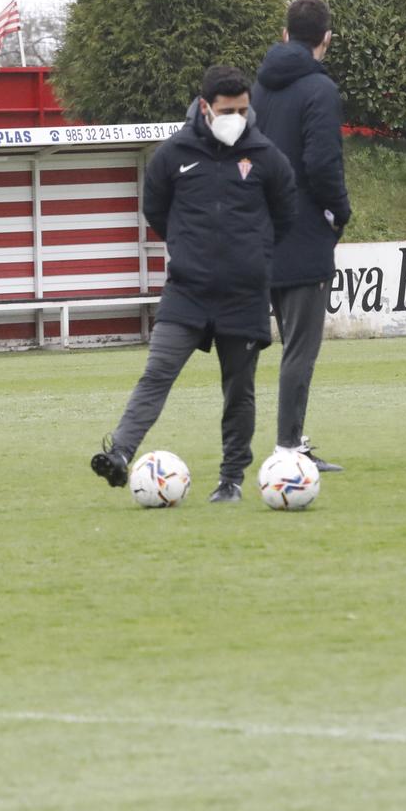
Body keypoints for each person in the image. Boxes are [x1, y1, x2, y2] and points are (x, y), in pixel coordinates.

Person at [90, 64, 297, 503]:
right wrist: (189, 249)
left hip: (244, 296)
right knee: (156, 373)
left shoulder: (266, 158)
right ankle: (121, 454)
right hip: (187, 291)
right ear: (205, 107)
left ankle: (231, 480)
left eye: (243, 109)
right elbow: (156, 210)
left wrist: (250, 256)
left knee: (238, 392)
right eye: (227, 109)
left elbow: (284, 216)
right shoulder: (173, 155)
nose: (236, 117)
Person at [251, 0, 352, 473]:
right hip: (305, 232)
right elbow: (321, 163)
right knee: (300, 348)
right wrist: (339, 213)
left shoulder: (260, 87)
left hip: (263, 230)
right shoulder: (320, 90)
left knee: (287, 341)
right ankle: (288, 448)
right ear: (326, 39)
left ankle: (289, 440)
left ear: (286, 33)